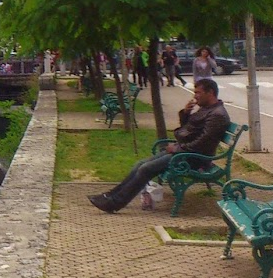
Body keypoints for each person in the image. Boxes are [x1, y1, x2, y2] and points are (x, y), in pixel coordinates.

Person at [88, 77, 230, 213]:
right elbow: (190, 130)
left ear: (210, 92)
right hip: (184, 152)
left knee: (145, 169)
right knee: (140, 164)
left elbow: (204, 143)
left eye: (198, 92)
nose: (195, 96)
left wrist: (177, 148)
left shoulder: (217, 114)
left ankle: (114, 203)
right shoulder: (207, 109)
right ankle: (110, 196)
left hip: (194, 158)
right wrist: (185, 113)